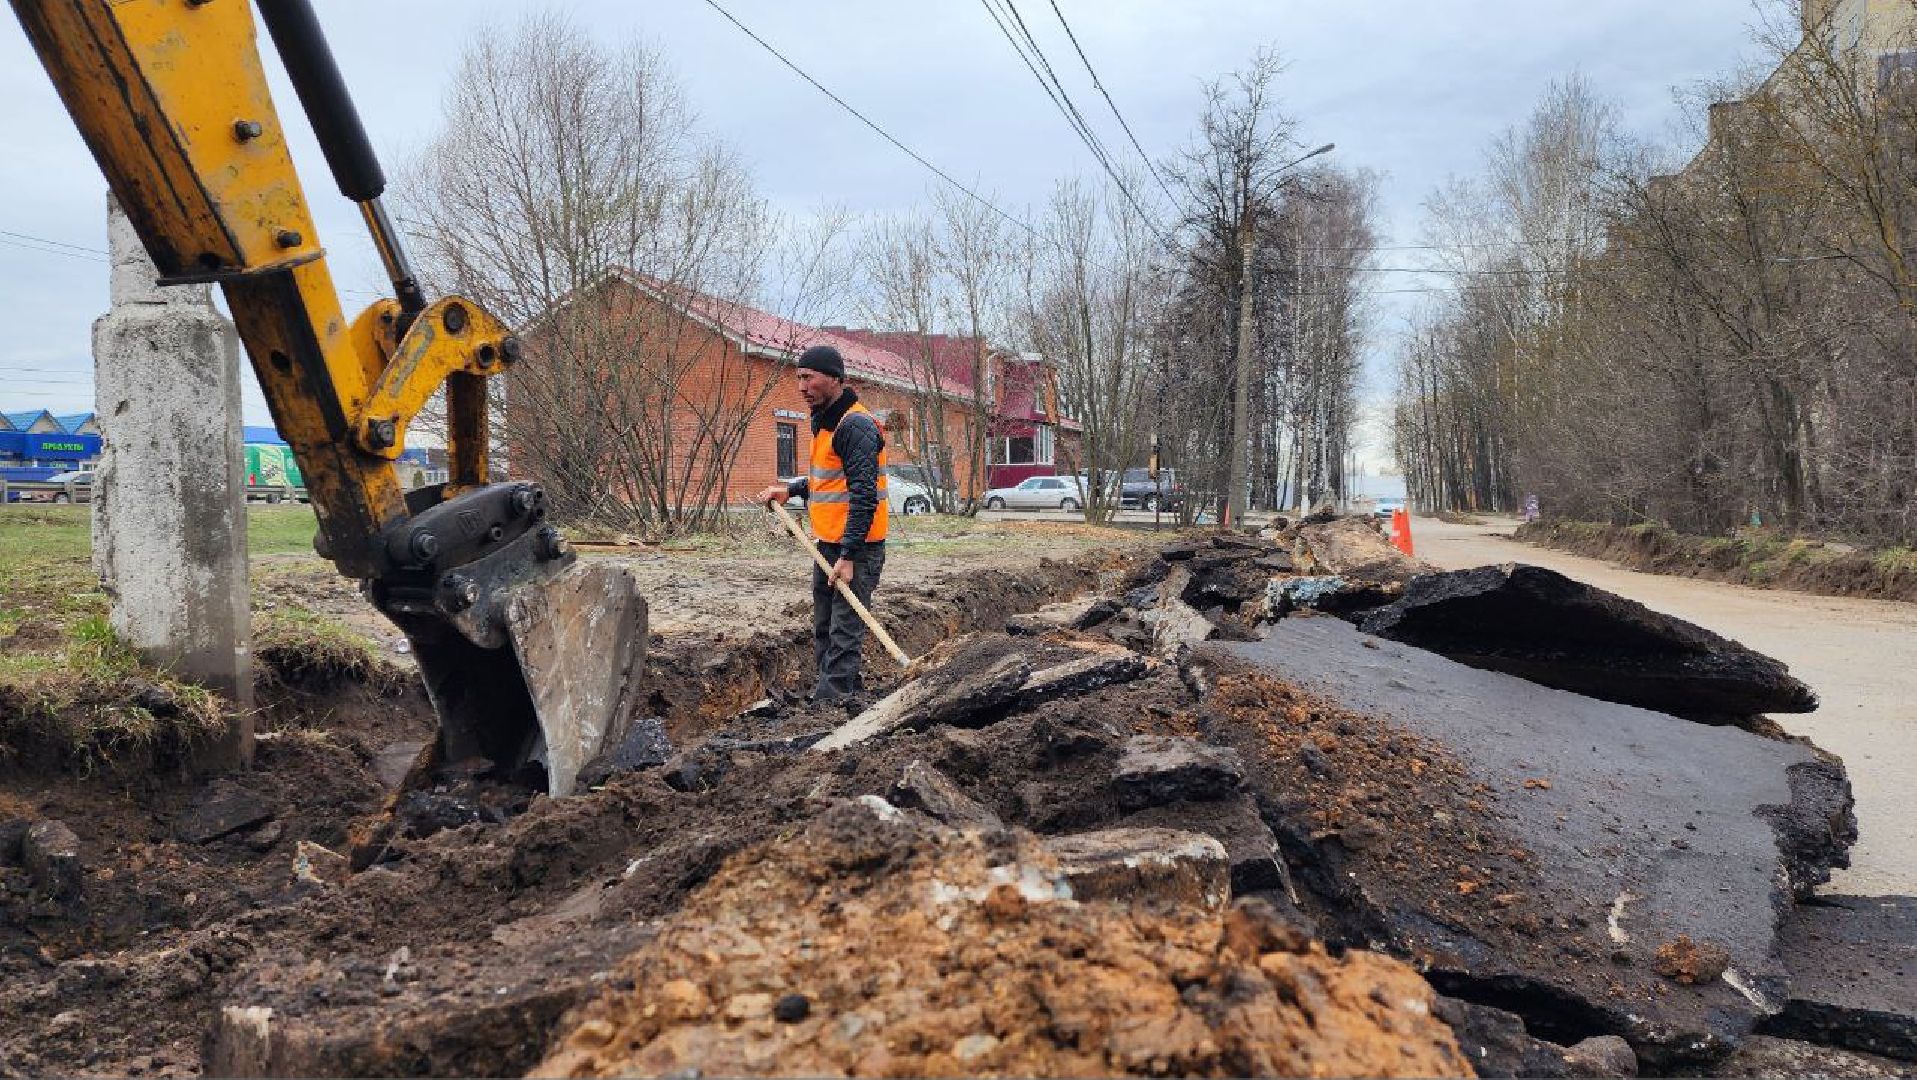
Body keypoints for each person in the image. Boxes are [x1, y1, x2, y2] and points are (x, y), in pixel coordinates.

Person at [755, 345, 890, 702]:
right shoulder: (827, 422)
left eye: (808, 377)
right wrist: (792, 490)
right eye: (798, 377)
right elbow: (828, 482)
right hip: (828, 544)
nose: (801, 386)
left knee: (845, 630)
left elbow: (863, 495)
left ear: (834, 379)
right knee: (824, 628)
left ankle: (831, 705)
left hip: (856, 551)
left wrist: (848, 556)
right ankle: (837, 693)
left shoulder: (855, 425)